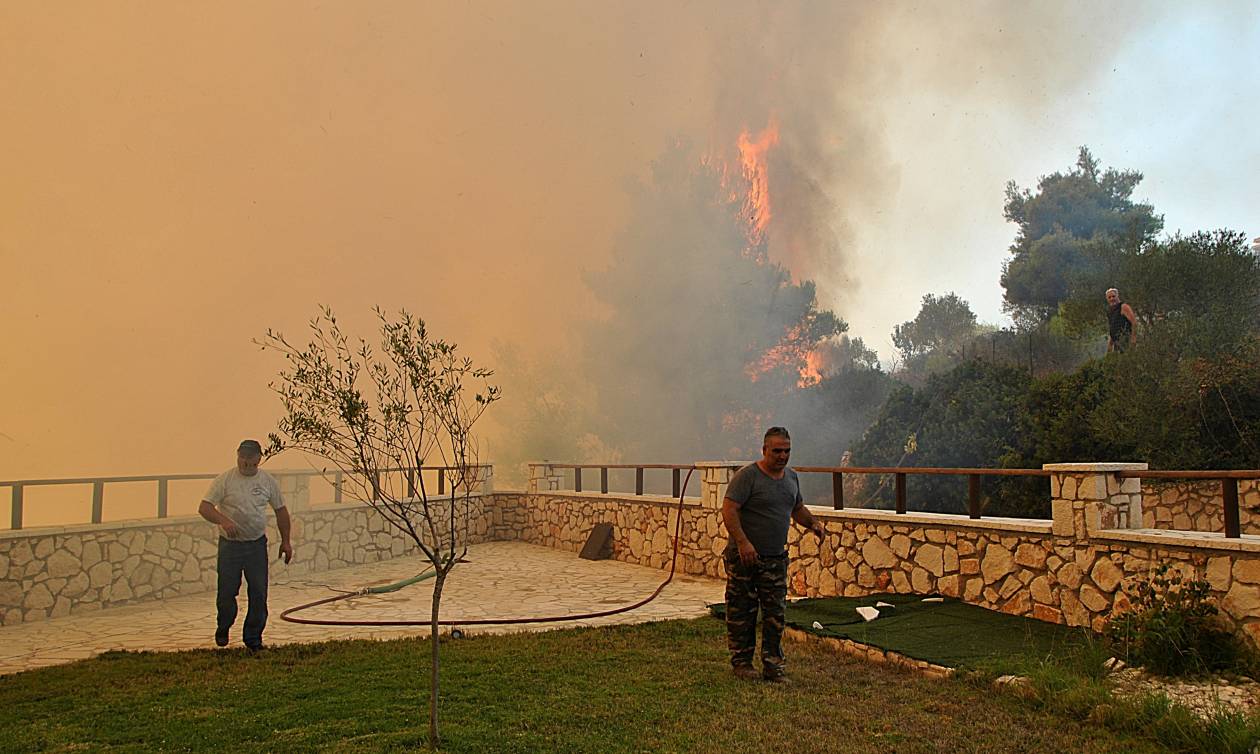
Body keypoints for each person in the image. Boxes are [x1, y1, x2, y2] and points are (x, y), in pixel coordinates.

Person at [721, 426, 825, 683]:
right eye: (777, 451)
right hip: (744, 557)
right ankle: (742, 663)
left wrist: (813, 523)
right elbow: (729, 509)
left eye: (787, 451)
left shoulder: (791, 478)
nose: (782, 456)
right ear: (764, 450)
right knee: (742, 612)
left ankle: (773, 666)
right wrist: (743, 543)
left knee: (775, 615)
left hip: (775, 559)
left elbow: (796, 508)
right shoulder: (748, 477)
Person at [198, 439, 293, 650]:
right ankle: (224, 625)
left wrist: (286, 541)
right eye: (243, 457)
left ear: (259, 459)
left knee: (258, 592)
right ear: (237, 456)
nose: (246, 462)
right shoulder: (225, 480)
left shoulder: (267, 481)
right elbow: (205, 507)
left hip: (256, 545)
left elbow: (281, 511)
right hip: (230, 546)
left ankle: (253, 639)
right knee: (227, 592)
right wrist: (223, 520)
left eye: (250, 458)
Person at [1105, 287, 1137, 353]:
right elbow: (1112, 328)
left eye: (1113, 296)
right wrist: (1110, 343)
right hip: (1117, 343)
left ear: (1117, 296)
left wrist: (1133, 338)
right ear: (1107, 299)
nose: (1112, 299)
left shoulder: (1123, 307)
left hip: (1126, 340)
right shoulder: (1110, 311)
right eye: (1109, 297)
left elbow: (1134, 323)